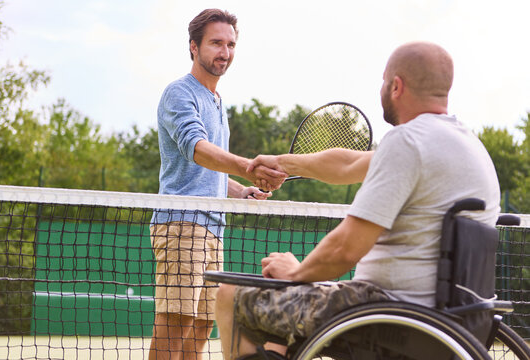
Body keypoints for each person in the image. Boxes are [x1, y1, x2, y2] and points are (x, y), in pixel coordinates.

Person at [215, 41, 501, 359]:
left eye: (383, 80)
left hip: (386, 315)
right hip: (454, 324)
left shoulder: (407, 143)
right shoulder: (465, 146)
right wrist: (284, 163)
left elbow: (345, 249)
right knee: (283, 323)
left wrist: (296, 274)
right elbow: (349, 164)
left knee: (231, 295)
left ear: (396, 86)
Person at [149, 9, 286, 360]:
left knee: (201, 325)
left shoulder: (218, 101)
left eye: (230, 44)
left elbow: (212, 174)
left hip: (213, 227)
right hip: (181, 224)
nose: (224, 52)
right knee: (176, 322)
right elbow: (198, 150)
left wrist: (242, 191)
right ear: (194, 47)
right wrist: (247, 167)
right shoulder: (179, 93)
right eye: (215, 43)